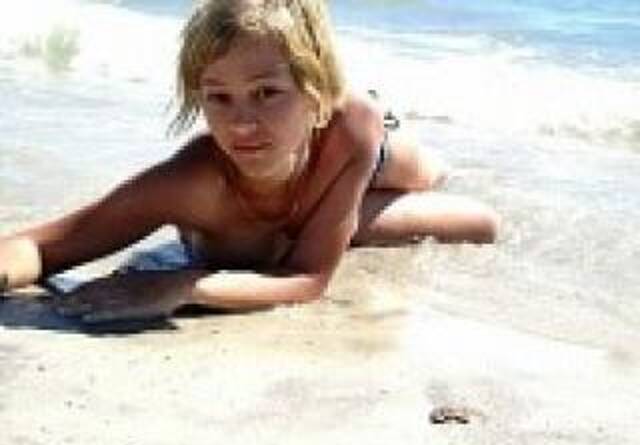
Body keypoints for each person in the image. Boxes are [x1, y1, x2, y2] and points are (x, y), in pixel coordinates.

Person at [0, 0, 499, 322]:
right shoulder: (189, 183)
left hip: (358, 144)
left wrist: (183, 286)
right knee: (294, 239)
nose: (241, 124)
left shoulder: (346, 125)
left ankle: (358, 170)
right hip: (306, 177)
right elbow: (40, 247)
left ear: (317, 95)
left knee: (461, 205)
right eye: (219, 98)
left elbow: (309, 279)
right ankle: (335, 216)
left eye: (266, 93)